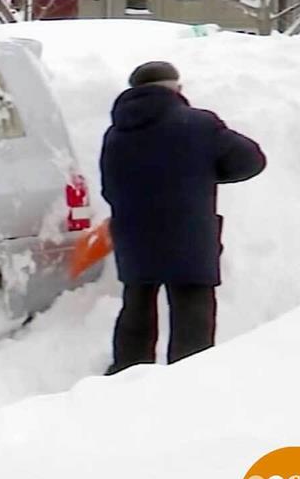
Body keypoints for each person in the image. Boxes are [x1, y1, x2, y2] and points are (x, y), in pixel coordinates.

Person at [100, 61, 266, 374]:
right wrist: (206, 174)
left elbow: (109, 188)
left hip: (134, 234)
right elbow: (251, 160)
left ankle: (127, 376)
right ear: (176, 88)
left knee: (137, 306)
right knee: (192, 312)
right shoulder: (200, 124)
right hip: (189, 234)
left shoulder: (116, 133)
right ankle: (188, 380)